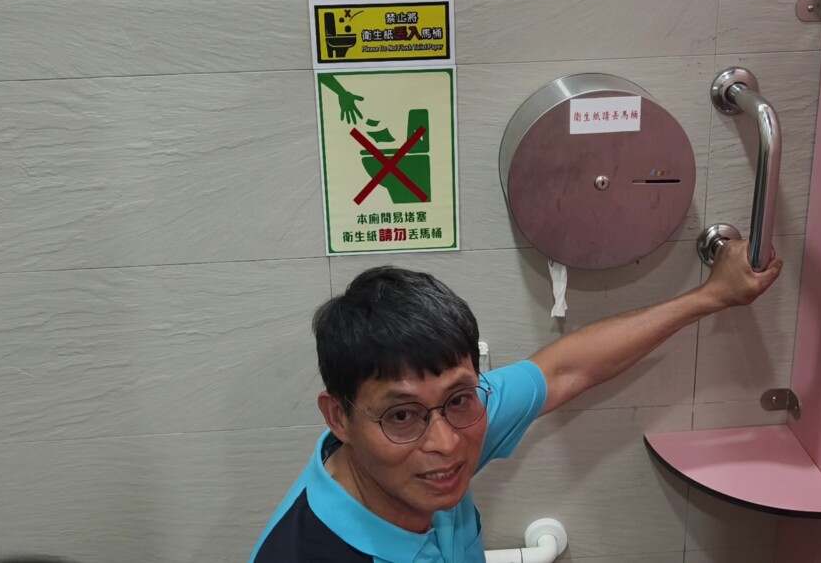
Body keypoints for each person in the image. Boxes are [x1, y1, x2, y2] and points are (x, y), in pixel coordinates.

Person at [251, 240, 782, 562]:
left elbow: (566, 368)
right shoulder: (305, 553)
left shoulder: (449, 425)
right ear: (339, 417)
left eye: (459, 397)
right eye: (402, 414)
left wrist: (712, 295)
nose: (447, 444)